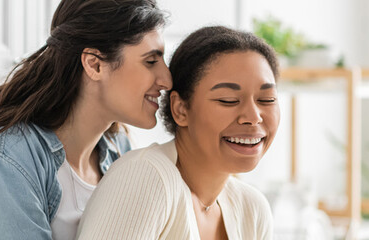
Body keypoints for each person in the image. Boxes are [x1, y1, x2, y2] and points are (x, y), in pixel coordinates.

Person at [0, 0, 170, 239]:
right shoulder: (7, 159)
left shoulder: (120, 151)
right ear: (94, 64)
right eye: (151, 61)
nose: (167, 80)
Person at [77, 26, 280, 240]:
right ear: (180, 109)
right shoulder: (146, 176)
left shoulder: (253, 209)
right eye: (227, 100)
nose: (253, 116)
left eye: (267, 100)